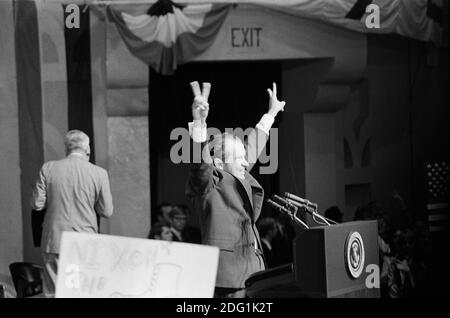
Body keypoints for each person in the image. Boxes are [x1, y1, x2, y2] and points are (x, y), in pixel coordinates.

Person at [185, 81, 286, 298]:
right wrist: (199, 123)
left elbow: (253, 148)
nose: (244, 163)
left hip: (254, 276)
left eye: (243, 158)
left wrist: (271, 113)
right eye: (238, 159)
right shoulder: (210, 184)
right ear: (220, 164)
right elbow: (199, 165)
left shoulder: (238, 177)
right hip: (228, 279)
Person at [30, 130, 113, 297]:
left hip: (54, 239)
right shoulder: (99, 173)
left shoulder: (49, 168)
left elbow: (37, 204)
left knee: (54, 292)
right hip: (85, 241)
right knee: (81, 291)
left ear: (66, 148)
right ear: (87, 149)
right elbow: (107, 211)